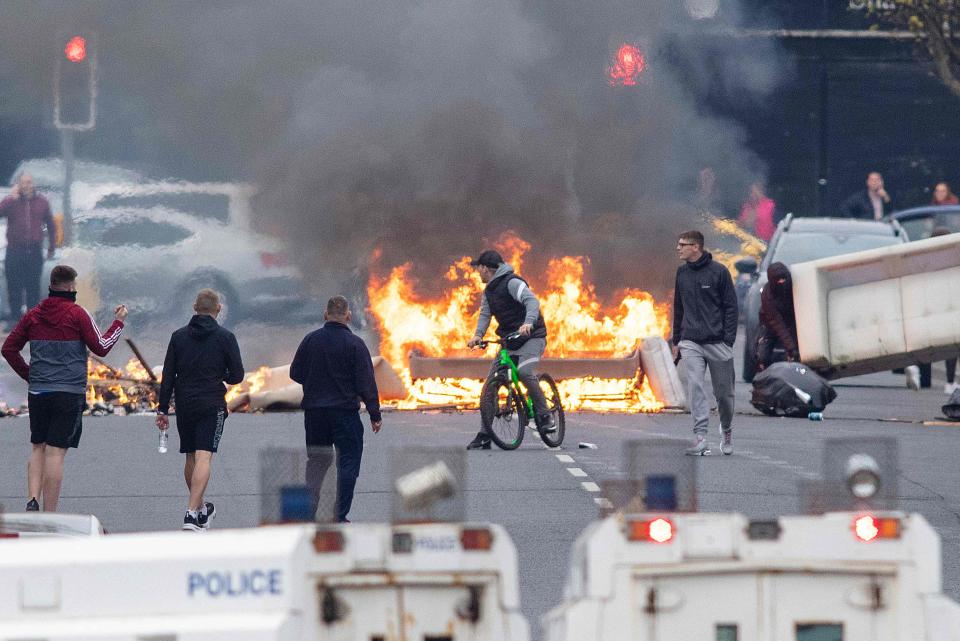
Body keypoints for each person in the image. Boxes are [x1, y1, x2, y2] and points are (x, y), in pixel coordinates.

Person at [1, 265, 126, 512]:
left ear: (51, 284)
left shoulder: (33, 314)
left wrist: (30, 375)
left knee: (38, 445)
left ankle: (32, 499)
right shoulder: (78, 314)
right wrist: (118, 323)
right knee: (56, 453)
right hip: (68, 392)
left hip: (39, 391)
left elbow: (8, 348)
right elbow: (101, 347)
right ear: (70, 287)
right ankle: (50, 514)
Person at [156, 289, 244, 531]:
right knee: (205, 455)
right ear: (219, 309)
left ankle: (200, 508)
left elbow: (168, 376)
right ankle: (191, 513)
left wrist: (162, 409)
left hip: (185, 403)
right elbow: (237, 375)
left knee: (191, 456)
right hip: (212, 403)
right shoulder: (226, 338)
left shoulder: (178, 337)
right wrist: (220, 374)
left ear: (195, 307)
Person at [290, 295, 382, 523]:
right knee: (348, 461)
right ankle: (338, 515)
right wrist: (375, 414)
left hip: (315, 415)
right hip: (345, 415)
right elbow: (366, 383)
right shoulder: (355, 345)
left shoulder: (310, 340)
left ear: (325, 315)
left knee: (317, 462)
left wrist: (315, 382)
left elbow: (295, 373)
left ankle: (309, 514)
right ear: (348, 316)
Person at [465, 249, 552, 450]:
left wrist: (528, 323)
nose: (477, 272)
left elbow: (532, 302)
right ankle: (485, 434)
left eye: (478, 268)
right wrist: (478, 335)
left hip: (532, 337)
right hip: (509, 341)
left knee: (523, 372)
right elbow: (485, 315)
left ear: (485, 269)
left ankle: (545, 415)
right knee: (489, 388)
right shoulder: (488, 291)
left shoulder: (512, 282)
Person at [670, 231, 738, 456]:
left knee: (724, 395)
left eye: (683, 245)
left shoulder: (719, 272)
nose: (678, 248)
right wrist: (677, 340)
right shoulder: (681, 273)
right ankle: (700, 437)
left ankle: (726, 428)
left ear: (696, 247)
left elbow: (731, 307)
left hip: (718, 342)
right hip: (691, 342)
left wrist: (728, 340)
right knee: (696, 386)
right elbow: (678, 308)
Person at [0, 173, 57, 320]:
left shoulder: (42, 202)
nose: (27, 185)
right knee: (14, 288)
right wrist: (10, 199)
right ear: (18, 185)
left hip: (34, 252)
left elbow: (51, 225)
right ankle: (14, 320)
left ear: (33, 184)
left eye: (29, 182)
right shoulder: (11, 202)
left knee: (33, 287)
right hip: (14, 251)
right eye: (24, 183)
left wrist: (51, 246)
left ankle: (33, 320)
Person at [756, 262, 798, 371]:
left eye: (784, 279)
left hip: (794, 321)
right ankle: (763, 370)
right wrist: (790, 347)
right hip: (770, 324)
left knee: (797, 354)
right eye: (778, 280)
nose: (782, 282)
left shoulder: (796, 285)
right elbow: (777, 323)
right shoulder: (767, 295)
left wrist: (792, 350)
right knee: (762, 356)